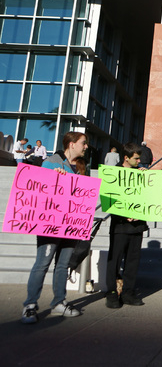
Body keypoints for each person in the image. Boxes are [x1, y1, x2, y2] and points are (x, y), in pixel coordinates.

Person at [21, 131, 88, 324]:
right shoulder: (51, 162)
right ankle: (30, 305)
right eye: (83, 143)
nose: (86, 147)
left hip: (71, 224)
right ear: (72, 144)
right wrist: (53, 177)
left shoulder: (82, 166)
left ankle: (59, 302)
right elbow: (39, 190)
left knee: (63, 265)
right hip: (50, 223)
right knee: (43, 263)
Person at [105, 142, 148, 308]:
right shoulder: (114, 173)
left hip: (137, 225)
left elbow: (148, 198)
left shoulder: (140, 173)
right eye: (136, 158)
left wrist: (146, 178)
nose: (139, 161)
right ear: (126, 158)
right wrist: (124, 215)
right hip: (120, 226)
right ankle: (112, 293)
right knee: (114, 260)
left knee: (133, 261)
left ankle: (129, 292)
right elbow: (109, 199)